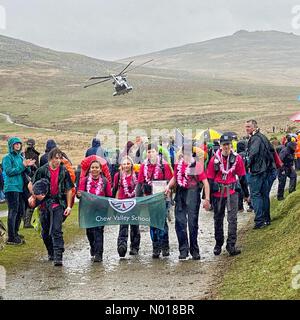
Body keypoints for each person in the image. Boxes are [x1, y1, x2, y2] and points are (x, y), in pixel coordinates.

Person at [207, 134, 249, 256]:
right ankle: (218, 243)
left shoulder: (237, 159)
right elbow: (209, 179)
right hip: (218, 193)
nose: (226, 147)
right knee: (218, 219)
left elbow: (242, 177)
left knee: (232, 219)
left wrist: (246, 195)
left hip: (232, 192)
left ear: (231, 145)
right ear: (220, 146)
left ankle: (231, 245)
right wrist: (207, 198)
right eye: (224, 145)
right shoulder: (214, 160)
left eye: (228, 144)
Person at [166, 143, 210, 260]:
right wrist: (168, 187)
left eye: (188, 153)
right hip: (180, 193)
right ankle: (183, 250)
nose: (185, 155)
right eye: (184, 153)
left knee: (192, 223)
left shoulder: (197, 165)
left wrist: (207, 199)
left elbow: (205, 182)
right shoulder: (178, 165)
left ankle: (194, 250)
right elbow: (175, 178)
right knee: (180, 222)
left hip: (193, 194)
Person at [31, 148, 74, 266]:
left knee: (56, 230)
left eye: (60, 158)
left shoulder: (64, 171)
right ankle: (51, 252)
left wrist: (69, 206)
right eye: (56, 158)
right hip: (44, 204)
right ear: (51, 158)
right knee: (45, 232)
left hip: (58, 203)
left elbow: (69, 189)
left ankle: (58, 255)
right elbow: (31, 184)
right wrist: (33, 196)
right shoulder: (41, 170)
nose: (59, 160)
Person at [136, 143, 173, 259]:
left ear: (157, 152)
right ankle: (155, 247)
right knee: (152, 223)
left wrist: (169, 197)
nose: (150, 153)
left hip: (162, 198)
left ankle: (165, 246)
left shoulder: (164, 165)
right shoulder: (143, 166)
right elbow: (140, 183)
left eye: (152, 151)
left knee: (162, 222)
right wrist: (139, 199)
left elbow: (170, 182)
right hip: (149, 198)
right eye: (148, 151)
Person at [2, 137, 35, 245]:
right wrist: (23, 165)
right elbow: (9, 171)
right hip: (11, 187)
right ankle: (11, 237)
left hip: (20, 188)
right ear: (11, 145)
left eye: (19, 144)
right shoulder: (7, 158)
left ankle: (15, 233)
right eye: (15, 144)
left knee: (20, 211)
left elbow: (26, 172)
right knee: (13, 211)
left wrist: (28, 166)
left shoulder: (21, 157)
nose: (17, 146)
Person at [77, 160, 112, 262]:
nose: (94, 169)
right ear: (90, 169)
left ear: (100, 170)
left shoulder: (105, 181)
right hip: (88, 210)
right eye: (93, 167)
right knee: (90, 232)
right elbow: (80, 194)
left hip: (101, 211)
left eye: (97, 167)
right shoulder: (84, 180)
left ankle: (99, 253)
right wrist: (79, 195)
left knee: (99, 231)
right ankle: (93, 247)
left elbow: (109, 196)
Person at [246, 120, 276, 229]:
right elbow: (272, 150)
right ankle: (266, 219)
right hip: (266, 171)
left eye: (249, 127)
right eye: (246, 127)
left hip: (257, 172)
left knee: (255, 195)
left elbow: (252, 153)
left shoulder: (255, 138)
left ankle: (259, 221)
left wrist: (248, 166)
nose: (247, 129)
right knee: (264, 195)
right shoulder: (263, 137)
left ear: (254, 127)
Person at [113, 156, 140, 257]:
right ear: (121, 165)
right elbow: (114, 188)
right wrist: (111, 201)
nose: (126, 166)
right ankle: (122, 246)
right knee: (123, 225)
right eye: (124, 164)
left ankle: (135, 247)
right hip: (122, 205)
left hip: (134, 204)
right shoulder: (118, 176)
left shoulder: (136, 175)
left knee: (134, 226)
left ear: (132, 165)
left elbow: (140, 188)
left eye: (128, 164)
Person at [23, 138, 40, 228]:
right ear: (33, 145)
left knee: (25, 200)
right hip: (31, 179)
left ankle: (25, 220)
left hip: (23, 179)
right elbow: (37, 168)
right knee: (32, 199)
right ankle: (27, 222)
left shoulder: (23, 154)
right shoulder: (35, 154)